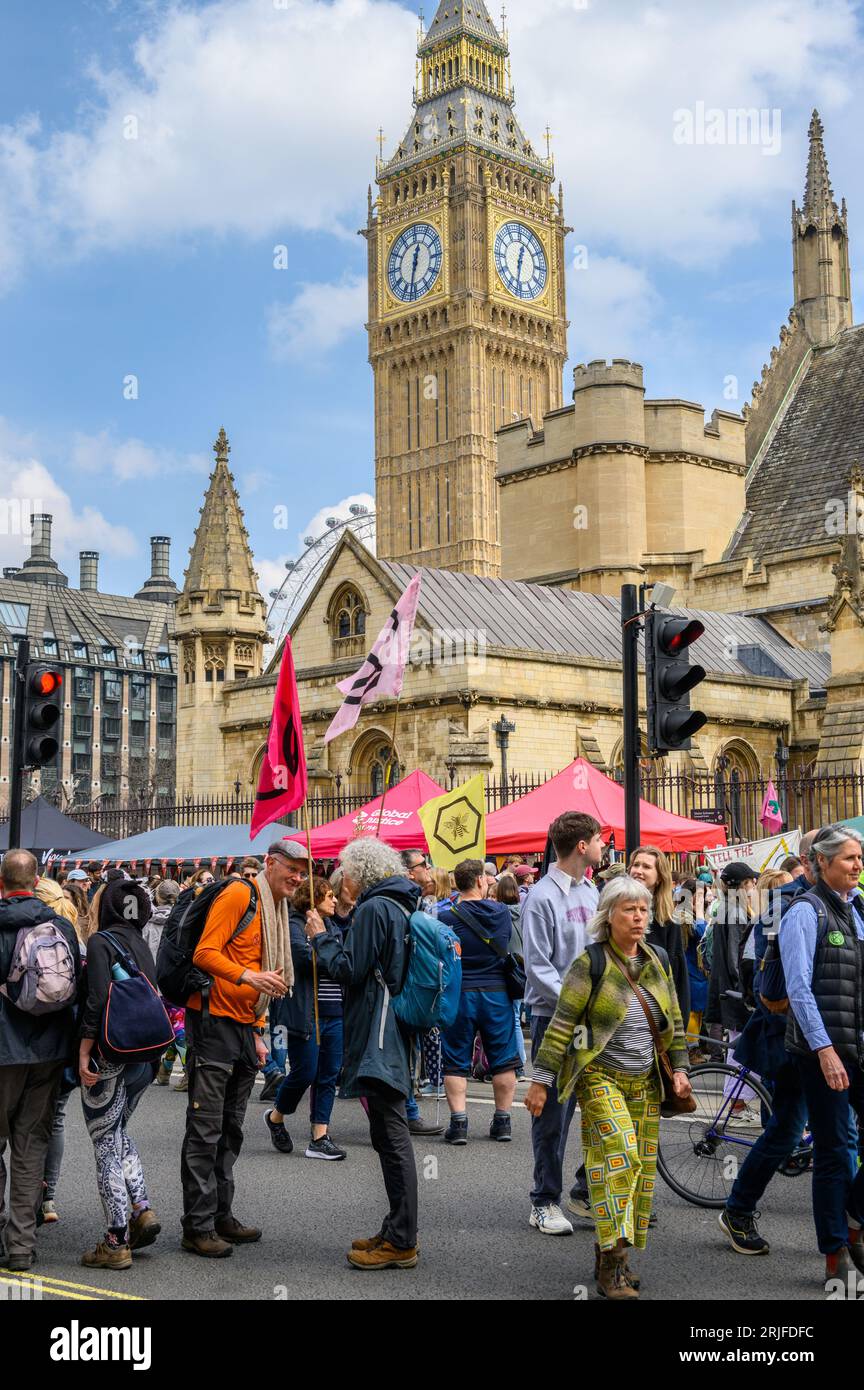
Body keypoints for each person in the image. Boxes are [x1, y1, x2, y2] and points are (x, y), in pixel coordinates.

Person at [525, 875, 691, 1300]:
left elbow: (671, 1020)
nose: (638, 917)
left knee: (639, 1170)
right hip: (600, 1078)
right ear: (608, 916)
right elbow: (561, 1027)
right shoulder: (590, 963)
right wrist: (542, 1081)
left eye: (642, 910)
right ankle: (611, 1268)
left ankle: (613, 1253)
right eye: (628, 910)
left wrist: (681, 1068)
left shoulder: (656, 960)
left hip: (646, 1082)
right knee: (620, 1154)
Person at [305, 838, 420, 1271]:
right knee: (387, 1132)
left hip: (378, 1028)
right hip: (391, 1026)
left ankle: (402, 1238)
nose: (341, 880)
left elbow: (350, 969)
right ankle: (395, 1228)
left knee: (391, 1136)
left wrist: (321, 938)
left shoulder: (376, 908)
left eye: (345, 872)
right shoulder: (399, 903)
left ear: (360, 873)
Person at [180, 843, 296, 1257]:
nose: (298, 878)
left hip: (245, 1028)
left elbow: (266, 973)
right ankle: (197, 1225)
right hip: (213, 1023)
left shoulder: (276, 909)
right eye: (292, 869)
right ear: (270, 863)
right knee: (206, 1127)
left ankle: (220, 1216)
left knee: (230, 1128)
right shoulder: (238, 894)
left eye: (303, 871)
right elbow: (204, 954)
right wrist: (248, 976)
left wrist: (259, 1029)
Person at [780, 824, 864, 1285]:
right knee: (834, 1151)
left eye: (860, 859)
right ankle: (836, 1252)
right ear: (823, 863)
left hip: (859, 1045)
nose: (857, 866)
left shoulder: (858, 910)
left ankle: (854, 1222)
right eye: (850, 858)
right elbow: (798, 988)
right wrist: (825, 1049)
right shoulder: (804, 912)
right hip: (822, 1051)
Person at [0, 850, 82, 1272]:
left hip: (2, 1051)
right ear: (35, 883)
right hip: (48, 1050)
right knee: (31, 1148)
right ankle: (21, 1246)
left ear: (1, 883)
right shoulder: (62, 926)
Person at [523, 812, 604, 1235]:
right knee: (553, 1114)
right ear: (581, 847)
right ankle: (544, 1200)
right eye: (599, 839)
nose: (604, 845)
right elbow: (538, 968)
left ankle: (588, 1191)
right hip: (553, 1020)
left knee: (601, 1108)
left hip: (595, 1020)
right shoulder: (540, 897)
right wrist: (579, 1003)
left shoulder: (593, 892)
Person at [77, 877, 163, 1270]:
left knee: (104, 1145)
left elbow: (96, 998)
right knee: (118, 1134)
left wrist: (84, 1049)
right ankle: (141, 1206)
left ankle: (115, 1239)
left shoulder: (100, 942)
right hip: (145, 1056)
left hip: (110, 1054)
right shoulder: (141, 944)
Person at [437, 860, 521, 1144]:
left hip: (460, 992)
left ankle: (458, 1124)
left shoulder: (446, 917)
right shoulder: (501, 913)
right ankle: (502, 1121)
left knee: (455, 1060)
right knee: (504, 1059)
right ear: (479, 881)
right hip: (497, 992)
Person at [265, 877, 347, 1161]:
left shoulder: (332, 927)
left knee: (328, 1076)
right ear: (312, 900)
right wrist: (322, 944)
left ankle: (319, 1137)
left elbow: (342, 963)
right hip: (305, 1014)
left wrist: (324, 941)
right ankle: (276, 1117)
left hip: (335, 1012)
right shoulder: (295, 925)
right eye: (328, 896)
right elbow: (303, 957)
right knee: (305, 1072)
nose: (334, 901)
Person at [704, 862, 758, 1077]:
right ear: (743, 885)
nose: (754, 885)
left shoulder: (729, 907)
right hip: (735, 990)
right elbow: (735, 956)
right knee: (740, 1049)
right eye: (751, 882)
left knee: (740, 1045)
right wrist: (745, 990)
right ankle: (736, 1100)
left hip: (729, 987)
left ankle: (737, 1099)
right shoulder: (734, 911)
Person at [628, 846, 690, 1024]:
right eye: (635, 865)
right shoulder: (613, 909)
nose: (638, 871)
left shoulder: (667, 919)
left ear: (659, 877)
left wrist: (679, 1022)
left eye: (646, 867)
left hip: (653, 1011)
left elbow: (676, 971)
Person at [495, 872, 527, 1073]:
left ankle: (519, 1065)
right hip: (524, 967)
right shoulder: (526, 911)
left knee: (512, 1017)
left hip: (509, 968)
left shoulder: (499, 914)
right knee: (516, 1015)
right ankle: (519, 1063)